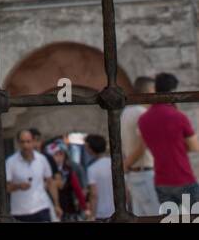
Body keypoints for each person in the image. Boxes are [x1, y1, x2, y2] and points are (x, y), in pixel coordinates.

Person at [127, 72, 199, 211]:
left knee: (170, 219)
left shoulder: (143, 119)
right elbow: (194, 146)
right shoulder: (178, 116)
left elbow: (148, 144)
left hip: (161, 181)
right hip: (183, 177)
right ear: (173, 91)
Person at [6, 128, 61, 222]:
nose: (25, 145)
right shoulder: (10, 162)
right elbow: (6, 187)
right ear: (18, 143)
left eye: (28, 141)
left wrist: (56, 205)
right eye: (22, 142)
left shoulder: (42, 159)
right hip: (20, 211)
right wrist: (18, 186)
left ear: (33, 142)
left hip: (41, 208)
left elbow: (50, 182)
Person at [122, 75, 157, 217]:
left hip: (135, 174)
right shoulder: (141, 113)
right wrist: (125, 165)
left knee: (142, 218)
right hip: (145, 173)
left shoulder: (126, 112)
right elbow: (144, 145)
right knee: (157, 217)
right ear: (149, 91)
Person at [85, 134, 115, 221]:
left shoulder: (92, 169)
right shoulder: (115, 163)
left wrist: (92, 215)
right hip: (118, 211)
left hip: (102, 213)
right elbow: (126, 189)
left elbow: (94, 194)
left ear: (91, 149)